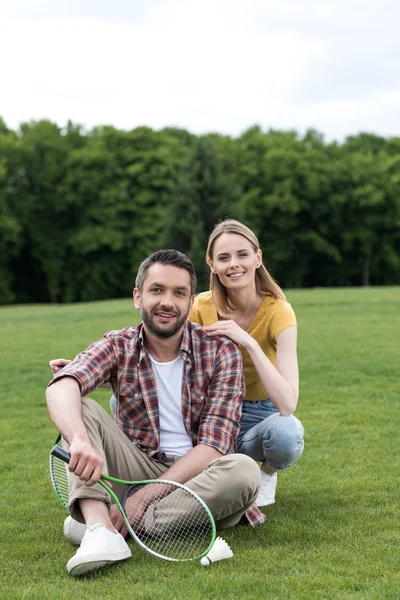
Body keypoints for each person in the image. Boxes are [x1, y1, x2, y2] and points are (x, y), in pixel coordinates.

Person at [46, 249, 263, 577]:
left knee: (245, 472)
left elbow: (213, 447)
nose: (167, 302)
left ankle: (107, 522)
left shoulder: (221, 352)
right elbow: (63, 384)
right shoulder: (119, 344)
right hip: (135, 465)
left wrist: (143, 498)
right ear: (138, 297)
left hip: (197, 476)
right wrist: (78, 439)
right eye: (157, 290)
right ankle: (100, 529)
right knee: (82, 407)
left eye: (179, 293)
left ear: (191, 303)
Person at [188, 219, 304, 507]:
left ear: (257, 258)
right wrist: (97, 375)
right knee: (121, 402)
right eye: (223, 258)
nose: (234, 264)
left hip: (258, 416)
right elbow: (161, 357)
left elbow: (287, 405)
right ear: (211, 264)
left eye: (242, 254)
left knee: (286, 433)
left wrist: (249, 343)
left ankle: (266, 475)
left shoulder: (279, 311)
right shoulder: (201, 306)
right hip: (211, 413)